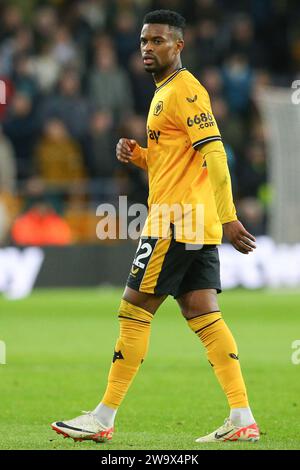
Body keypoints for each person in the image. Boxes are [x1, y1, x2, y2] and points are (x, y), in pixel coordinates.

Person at [51, 9, 260, 444]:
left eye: (158, 41)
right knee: (203, 313)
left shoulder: (184, 91)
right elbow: (178, 156)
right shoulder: (166, 92)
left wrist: (229, 216)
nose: (148, 47)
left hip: (175, 221)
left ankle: (103, 417)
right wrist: (142, 155)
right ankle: (242, 416)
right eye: (144, 41)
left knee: (133, 310)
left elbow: (215, 156)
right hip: (192, 223)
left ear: (178, 45)